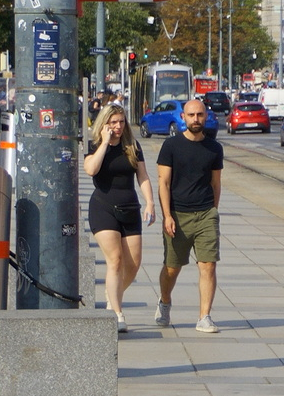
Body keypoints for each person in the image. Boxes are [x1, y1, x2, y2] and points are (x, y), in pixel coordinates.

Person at [83, 104, 155, 333]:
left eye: (121, 122)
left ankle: (111, 294)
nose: (118, 126)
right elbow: (91, 170)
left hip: (130, 208)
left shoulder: (132, 146)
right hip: (103, 208)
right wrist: (104, 142)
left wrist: (150, 203)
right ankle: (117, 312)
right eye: (113, 122)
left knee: (133, 264)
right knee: (115, 260)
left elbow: (143, 176)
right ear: (104, 122)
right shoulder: (93, 144)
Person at [155, 96, 224, 334]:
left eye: (200, 115)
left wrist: (212, 211)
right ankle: (164, 301)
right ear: (183, 117)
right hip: (177, 214)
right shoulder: (171, 146)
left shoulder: (214, 148)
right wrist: (167, 215)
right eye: (192, 115)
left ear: (206, 116)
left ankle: (204, 316)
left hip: (205, 214)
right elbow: (163, 183)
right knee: (172, 268)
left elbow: (216, 184)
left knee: (208, 266)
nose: (196, 119)